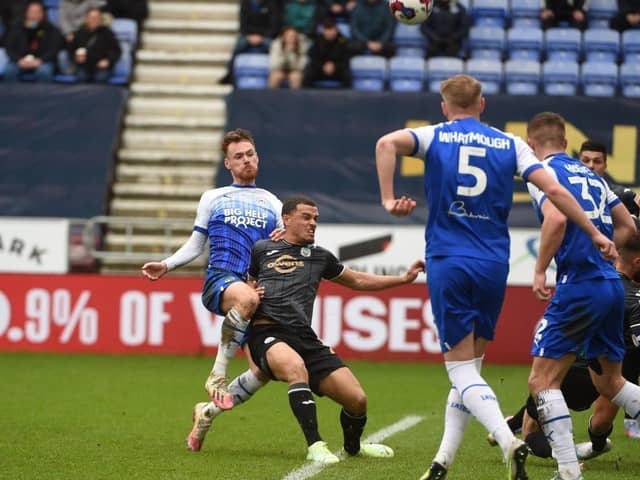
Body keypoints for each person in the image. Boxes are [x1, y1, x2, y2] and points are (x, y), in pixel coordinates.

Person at [374, 74, 618, 480]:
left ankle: (508, 440)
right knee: (473, 365)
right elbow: (557, 193)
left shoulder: (435, 136)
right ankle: (441, 463)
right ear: (482, 105)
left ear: (444, 106)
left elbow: (386, 144)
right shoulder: (511, 144)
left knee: (461, 370)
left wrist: (387, 198)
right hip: (493, 265)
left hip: (449, 259)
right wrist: (593, 232)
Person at [245, 195, 424, 463]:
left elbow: (359, 281)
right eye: (306, 217)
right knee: (296, 369)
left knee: (357, 400)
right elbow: (249, 281)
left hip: (303, 336)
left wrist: (404, 278)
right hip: (268, 332)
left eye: (316, 218)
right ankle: (315, 445)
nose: (313, 223)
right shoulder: (262, 248)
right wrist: (250, 292)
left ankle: (354, 448)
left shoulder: (320, 258)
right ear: (286, 219)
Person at [526, 111, 639, 480]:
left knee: (542, 381)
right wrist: (609, 251)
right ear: (567, 144)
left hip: (580, 283)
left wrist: (541, 267)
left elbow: (556, 221)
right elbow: (627, 227)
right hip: (612, 284)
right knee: (611, 383)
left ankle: (569, 471)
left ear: (531, 144)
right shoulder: (594, 176)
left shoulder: (542, 172)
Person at [142, 129, 283, 421]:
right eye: (238, 156)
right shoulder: (213, 198)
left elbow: (278, 253)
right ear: (228, 164)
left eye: (250, 154)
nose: (246, 160)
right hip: (220, 279)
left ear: (258, 157)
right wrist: (166, 265)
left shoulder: (273, 203)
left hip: (255, 291)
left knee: (264, 370)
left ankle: (206, 414)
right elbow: (197, 244)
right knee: (245, 297)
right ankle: (217, 375)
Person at [219, 0, 281, 85]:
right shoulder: (245, 3)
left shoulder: (271, 3)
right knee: (239, 46)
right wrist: (249, 37)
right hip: (248, 35)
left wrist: (262, 37)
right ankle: (230, 73)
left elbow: (274, 26)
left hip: (266, 37)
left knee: (275, 48)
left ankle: (274, 75)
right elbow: (242, 24)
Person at [4, 0, 62, 82]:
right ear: (26, 13)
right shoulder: (16, 28)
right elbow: (9, 48)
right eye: (32, 12)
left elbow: (54, 50)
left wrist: (40, 60)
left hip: (43, 62)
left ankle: (43, 94)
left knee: (44, 71)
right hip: (20, 61)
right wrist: (19, 60)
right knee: (9, 71)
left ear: (43, 13)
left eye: (37, 12)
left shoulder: (52, 30)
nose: (34, 15)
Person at [69, 7, 121, 83]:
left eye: (96, 18)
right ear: (86, 19)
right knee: (81, 77)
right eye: (91, 17)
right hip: (84, 66)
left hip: (102, 67)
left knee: (101, 77)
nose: (94, 20)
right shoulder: (79, 33)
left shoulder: (107, 33)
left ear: (100, 19)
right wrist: (75, 57)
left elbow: (116, 50)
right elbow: (71, 49)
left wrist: (108, 60)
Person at [303, 16, 351, 88]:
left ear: (336, 30)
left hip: (337, 70)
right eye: (327, 29)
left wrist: (334, 66)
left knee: (347, 74)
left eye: (332, 29)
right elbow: (313, 58)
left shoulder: (343, 41)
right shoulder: (318, 41)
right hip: (320, 69)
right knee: (309, 71)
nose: (329, 32)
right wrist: (323, 66)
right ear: (323, 30)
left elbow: (345, 60)